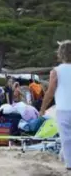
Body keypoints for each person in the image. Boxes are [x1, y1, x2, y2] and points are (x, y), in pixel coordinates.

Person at [40, 40, 71, 171]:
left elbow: (50, 92)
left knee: (66, 137)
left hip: (63, 108)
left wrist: (42, 108)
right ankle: (64, 157)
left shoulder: (56, 71)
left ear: (61, 54)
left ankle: (69, 164)